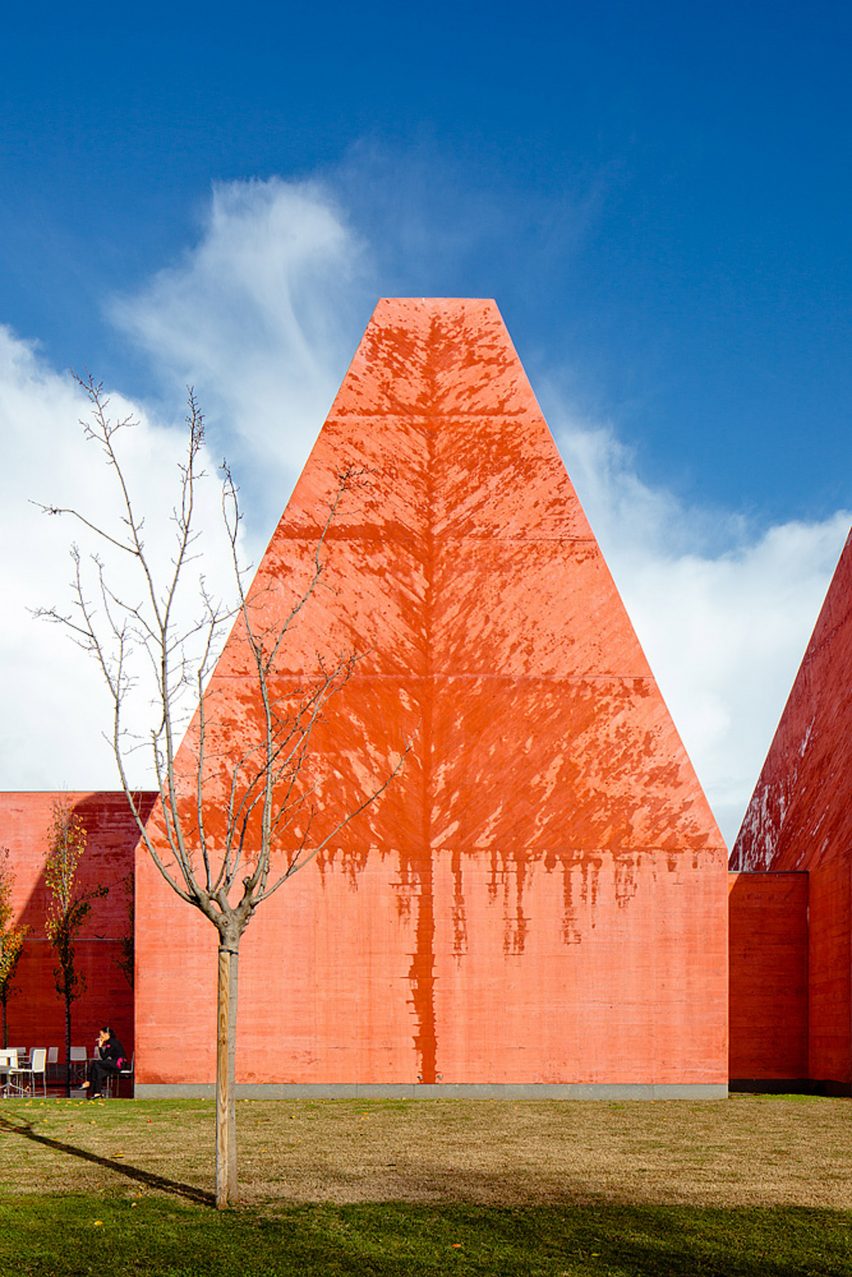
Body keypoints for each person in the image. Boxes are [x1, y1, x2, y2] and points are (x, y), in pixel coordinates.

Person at [81, 1026, 127, 1099]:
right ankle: (97, 1093)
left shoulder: (112, 1042)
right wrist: (101, 1046)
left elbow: (104, 1057)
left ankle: (88, 1081)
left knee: (95, 1063)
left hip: (118, 1064)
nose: (100, 1036)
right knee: (98, 1071)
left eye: (101, 1034)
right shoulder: (109, 1043)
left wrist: (100, 1046)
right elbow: (104, 1056)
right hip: (113, 1063)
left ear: (106, 1034)